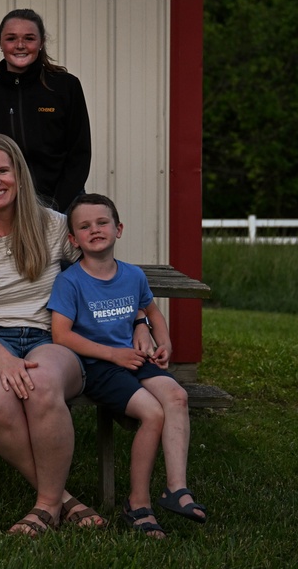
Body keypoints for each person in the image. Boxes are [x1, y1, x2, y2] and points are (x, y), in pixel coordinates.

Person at [0, 133, 112, 536]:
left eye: (2, 170)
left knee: (39, 387)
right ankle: (65, 499)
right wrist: (4, 359)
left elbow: (104, 278)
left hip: (49, 337)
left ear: (18, 174)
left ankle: (44, 507)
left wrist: (140, 322)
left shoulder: (55, 228)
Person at [49, 193, 208, 539]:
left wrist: (163, 344)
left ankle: (176, 489)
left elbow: (150, 311)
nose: (95, 230)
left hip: (134, 360)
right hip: (99, 368)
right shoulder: (71, 281)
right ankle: (138, 503)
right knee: (152, 412)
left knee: (176, 396)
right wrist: (112, 355)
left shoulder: (133, 276)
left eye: (102, 222)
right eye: (85, 226)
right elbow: (61, 336)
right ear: (73, 239)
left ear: (118, 229)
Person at [0, 9, 91, 212]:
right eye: (11, 38)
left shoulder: (65, 87)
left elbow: (79, 154)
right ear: (1, 43)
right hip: (7, 208)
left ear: (41, 43)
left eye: (29, 38)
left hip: (63, 205)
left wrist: (56, 208)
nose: (20, 45)